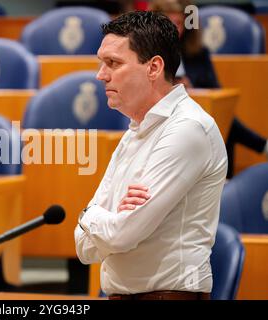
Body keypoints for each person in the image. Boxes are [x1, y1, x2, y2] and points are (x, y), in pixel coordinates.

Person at [74, 11, 227, 300]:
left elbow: (123, 234)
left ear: (154, 67)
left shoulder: (187, 129)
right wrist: (109, 218)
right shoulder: (135, 131)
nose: (100, 74)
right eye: (101, 63)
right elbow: (83, 248)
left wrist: (90, 215)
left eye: (113, 63)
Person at [151, 0, 268, 178]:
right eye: (169, 23)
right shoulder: (146, 53)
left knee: (220, 117)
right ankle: (261, 146)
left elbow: (218, 97)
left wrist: (192, 87)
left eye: (179, 23)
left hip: (198, 114)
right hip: (162, 118)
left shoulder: (198, 54)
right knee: (221, 121)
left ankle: (225, 177)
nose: (175, 30)